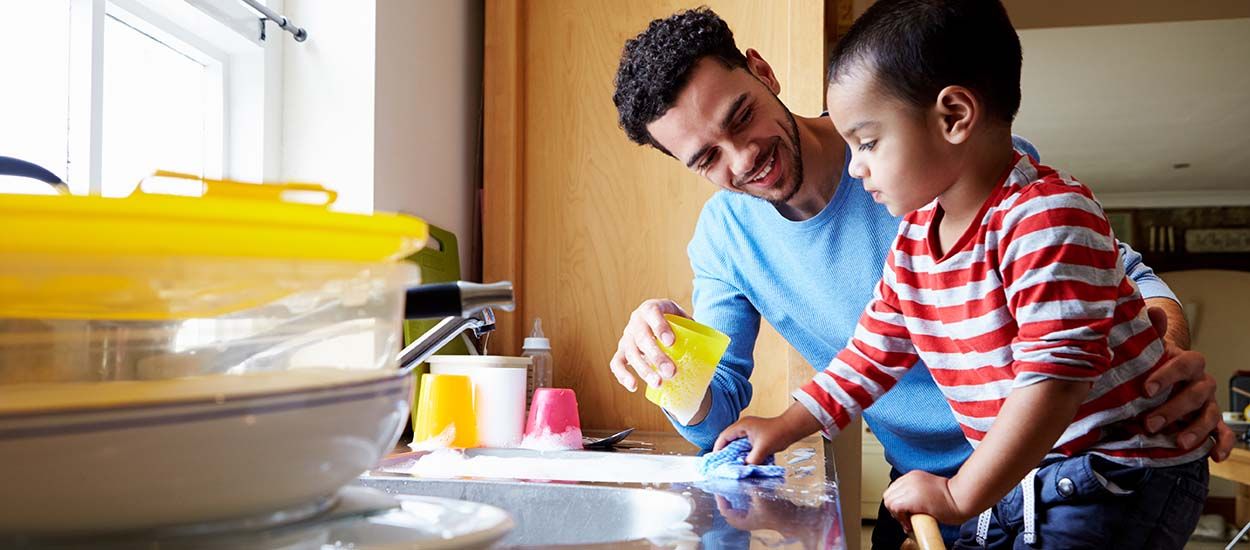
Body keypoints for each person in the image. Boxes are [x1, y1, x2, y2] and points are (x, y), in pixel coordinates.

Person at [609, 6, 1232, 546]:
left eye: (741, 117)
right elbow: (858, 358)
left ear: (763, 72)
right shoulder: (864, 228)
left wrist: (1160, 359)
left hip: (1077, 466)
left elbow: (1104, 283)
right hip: (938, 490)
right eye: (707, 158)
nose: (743, 158)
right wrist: (670, 364)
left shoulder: (966, 172)